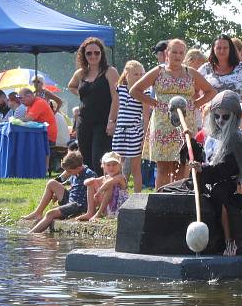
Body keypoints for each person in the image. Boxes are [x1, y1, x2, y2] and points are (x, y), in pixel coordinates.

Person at [130, 38, 216, 188]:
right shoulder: (158, 71)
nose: (177, 55)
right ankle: (160, 201)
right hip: (163, 123)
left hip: (184, 124)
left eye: (181, 52)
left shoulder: (191, 73)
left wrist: (194, 105)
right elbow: (135, 90)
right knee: (163, 167)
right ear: (166, 53)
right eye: (174, 52)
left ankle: (177, 199)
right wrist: (155, 103)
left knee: (182, 165)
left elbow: (211, 91)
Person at [187, 90, 242, 256]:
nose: (220, 120)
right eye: (217, 116)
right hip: (210, 178)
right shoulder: (210, 134)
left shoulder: (235, 138)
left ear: (233, 117)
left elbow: (228, 168)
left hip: (226, 182)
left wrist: (204, 169)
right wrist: (191, 145)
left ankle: (230, 242)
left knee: (221, 198)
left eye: (225, 117)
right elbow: (205, 157)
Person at [67, 37, 119, 175]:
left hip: (103, 123)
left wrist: (112, 121)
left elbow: (116, 97)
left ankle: (103, 193)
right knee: (85, 160)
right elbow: (71, 86)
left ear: (101, 54)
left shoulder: (110, 72)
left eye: (96, 52)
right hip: (83, 122)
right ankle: (88, 193)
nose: (93, 56)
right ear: (83, 55)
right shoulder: (81, 73)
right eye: (89, 53)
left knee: (99, 160)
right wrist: (84, 94)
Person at [25, 150, 96, 225]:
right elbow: (75, 188)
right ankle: (38, 212)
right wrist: (58, 193)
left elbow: (92, 191)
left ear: (78, 168)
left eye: (69, 171)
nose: (67, 174)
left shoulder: (89, 174)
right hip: (70, 199)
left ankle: (32, 234)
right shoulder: (75, 173)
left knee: (50, 213)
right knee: (51, 183)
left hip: (78, 205)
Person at [113, 60, 150, 193]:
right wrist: (112, 122)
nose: (139, 77)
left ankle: (137, 197)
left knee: (135, 168)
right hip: (120, 132)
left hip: (135, 132)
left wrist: (144, 139)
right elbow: (117, 107)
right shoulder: (120, 89)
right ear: (127, 74)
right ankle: (119, 195)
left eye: (141, 74)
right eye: (136, 74)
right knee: (118, 166)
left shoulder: (144, 93)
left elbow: (146, 117)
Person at [198, 34, 242, 99]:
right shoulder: (205, 69)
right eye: (218, 48)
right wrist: (198, 105)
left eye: (225, 48)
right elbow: (191, 88)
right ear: (213, 49)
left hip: (236, 108)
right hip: (210, 108)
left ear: (230, 49)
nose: (222, 51)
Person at [76, 151, 129, 221]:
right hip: (108, 208)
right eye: (108, 165)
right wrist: (91, 180)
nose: (111, 167)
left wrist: (98, 192)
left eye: (114, 164)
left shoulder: (120, 177)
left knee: (108, 185)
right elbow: (86, 183)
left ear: (120, 166)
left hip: (119, 209)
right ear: (103, 166)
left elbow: (108, 183)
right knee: (91, 183)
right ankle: (90, 212)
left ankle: (99, 213)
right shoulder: (105, 178)